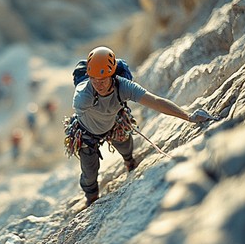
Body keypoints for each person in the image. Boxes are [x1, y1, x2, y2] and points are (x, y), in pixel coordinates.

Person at [72, 46, 216, 206]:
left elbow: (155, 102)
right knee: (90, 174)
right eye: (93, 79)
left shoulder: (124, 87)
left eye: (102, 80)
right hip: (87, 133)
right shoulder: (82, 98)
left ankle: (129, 162)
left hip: (114, 124)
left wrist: (188, 117)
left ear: (112, 75)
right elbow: (90, 112)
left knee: (126, 148)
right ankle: (91, 198)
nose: (97, 85)